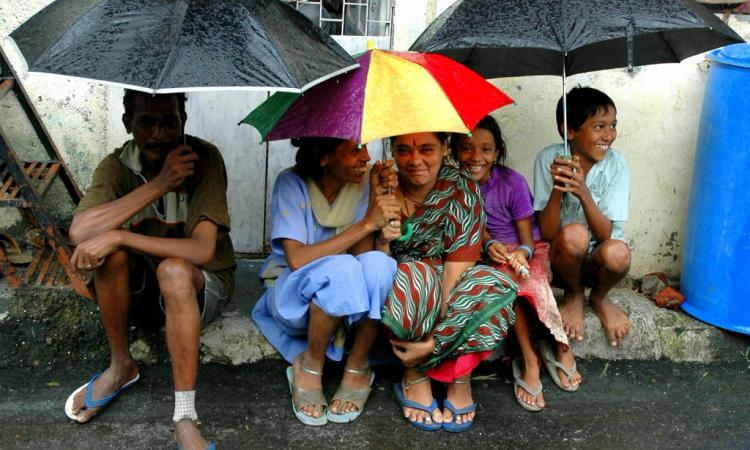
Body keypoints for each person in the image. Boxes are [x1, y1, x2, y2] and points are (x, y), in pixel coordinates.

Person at [65, 90, 235, 450]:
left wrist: (120, 236)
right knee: (110, 256)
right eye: (146, 122)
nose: (158, 132)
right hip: (144, 287)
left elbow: (202, 250)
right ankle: (121, 366)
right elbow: (80, 232)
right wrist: (159, 185)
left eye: (169, 121)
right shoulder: (118, 166)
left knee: (172, 270)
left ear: (183, 120)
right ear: (128, 124)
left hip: (200, 283)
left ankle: (185, 416)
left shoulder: (204, 158)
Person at [252, 137, 400, 426]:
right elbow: (296, 259)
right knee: (341, 267)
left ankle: (358, 365)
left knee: (380, 264)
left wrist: (379, 214)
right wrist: (367, 223)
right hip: (293, 294)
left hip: (345, 296)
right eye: (355, 149)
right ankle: (310, 364)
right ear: (323, 157)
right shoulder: (291, 183)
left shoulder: (359, 184)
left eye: (366, 147)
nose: (366, 157)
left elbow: (363, 257)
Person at [381, 132, 517, 433]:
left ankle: (460, 375)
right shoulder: (383, 185)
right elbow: (372, 261)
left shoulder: (463, 189)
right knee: (416, 279)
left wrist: (437, 341)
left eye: (426, 149)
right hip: (404, 287)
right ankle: (413, 374)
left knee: (493, 284)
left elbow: (457, 270)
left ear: (444, 148)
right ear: (393, 151)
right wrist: (381, 234)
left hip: (452, 276)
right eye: (404, 150)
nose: (415, 160)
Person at [453, 116, 580, 412]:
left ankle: (560, 345)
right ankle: (530, 357)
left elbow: (529, 239)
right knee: (506, 283)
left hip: (529, 252)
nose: (476, 157)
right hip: (490, 257)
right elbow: (475, 230)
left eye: (486, 149)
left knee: (524, 280)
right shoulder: (456, 186)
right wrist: (489, 245)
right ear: (456, 151)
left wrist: (520, 253)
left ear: (497, 152)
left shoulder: (512, 183)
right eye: (467, 148)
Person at [534, 87, 632, 348]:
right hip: (563, 261)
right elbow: (546, 232)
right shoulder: (548, 158)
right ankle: (574, 294)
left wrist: (584, 194)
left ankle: (599, 297)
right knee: (575, 233)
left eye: (613, 125)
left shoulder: (616, 164)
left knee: (619, 253)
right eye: (599, 126)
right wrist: (558, 186)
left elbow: (605, 236)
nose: (609, 135)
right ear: (569, 130)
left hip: (598, 264)